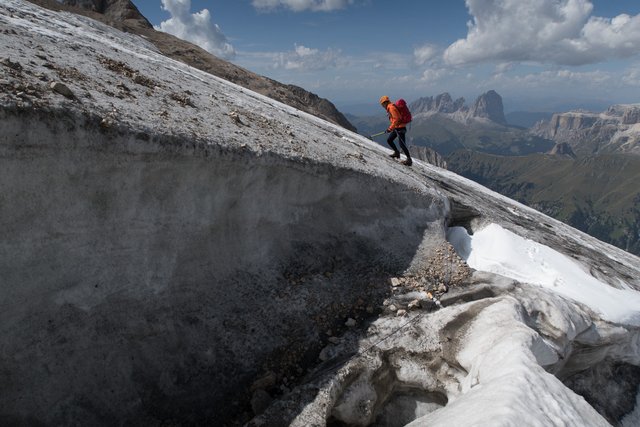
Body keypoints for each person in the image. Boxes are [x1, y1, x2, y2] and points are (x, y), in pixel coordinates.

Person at [379, 95, 412, 166]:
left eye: (382, 104)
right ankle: (397, 153)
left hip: (400, 128)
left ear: (385, 103)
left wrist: (390, 128)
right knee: (389, 140)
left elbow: (397, 118)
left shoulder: (391, 107)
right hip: (397, 127)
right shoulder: (390, 107)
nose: (382, 106)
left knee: (402, 145)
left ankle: (409, 159)